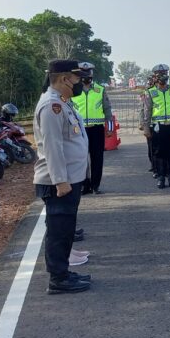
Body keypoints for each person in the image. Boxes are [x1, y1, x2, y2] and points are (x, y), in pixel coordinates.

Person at [33, 59, 92, 294]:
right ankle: (58, 279)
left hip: (68, 177)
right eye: (77, 78)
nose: (80, 82)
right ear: (65, 78)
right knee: (59, 231)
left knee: (65, 229)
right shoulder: (51, 105)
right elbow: (52, 146)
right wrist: (60, 181)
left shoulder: (63, 103)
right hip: (58, 181)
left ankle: (64, 272)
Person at [141, 64, 170, 188]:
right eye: (160, 74)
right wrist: (146, 127)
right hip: (158, 127)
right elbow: (147, 111)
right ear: (155, 77)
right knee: (159, 153)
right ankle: (161, 177)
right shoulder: (150, 92)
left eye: (164, 74)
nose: (163, 76)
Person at [71, 62, 113, 195]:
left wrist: (109, 128)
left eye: (88, 72)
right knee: (81, 158)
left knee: (97, 158)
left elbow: (107, 110)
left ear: (92, 74)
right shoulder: (73, 90)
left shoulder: (100, 89)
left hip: (96, 129)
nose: (86, 75)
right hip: (79, 129)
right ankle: (85, 185)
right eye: (83, 72)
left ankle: (96, 185)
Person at [140, 75, 158, 177]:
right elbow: (142, 109)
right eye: (149, 82)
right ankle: (154, 165)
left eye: (152, 81)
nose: (151, 83)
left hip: (157, 124)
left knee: (158, 147)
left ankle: (160, 167)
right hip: (149, 124)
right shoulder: (147, 93)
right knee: (151, 147)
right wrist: (141, 123)